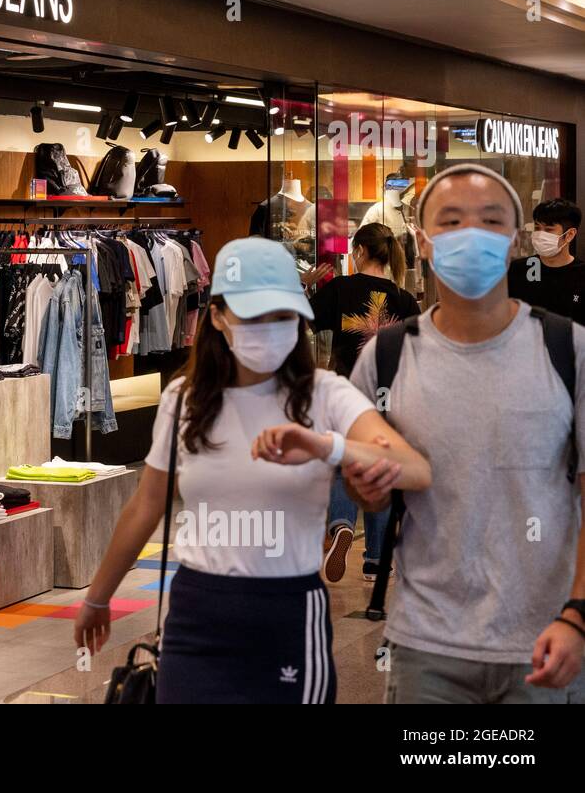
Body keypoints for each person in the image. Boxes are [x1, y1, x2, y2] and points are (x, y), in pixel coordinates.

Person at [74, 237, 430, 703]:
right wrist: (98, 598)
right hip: (197, 613)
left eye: (281, 316)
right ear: (218, 316)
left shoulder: (323, 394)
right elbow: (145, 505)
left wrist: (327, 446)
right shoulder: (185, 400)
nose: (268, 329)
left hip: (288, 612)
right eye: (252, 315)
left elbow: (413, 469)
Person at [347, 164, 585, 703]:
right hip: (425, 646)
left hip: (543, 642)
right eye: (451, 221)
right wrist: (367, 485)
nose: (470, 234)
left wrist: (577, 615)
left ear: (513, 241)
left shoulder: (569, 351)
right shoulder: (385, 358)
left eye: (490, 220)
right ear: (425, 243)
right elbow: (368, 489)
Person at [310, 223, 420, 583]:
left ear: (358, 252)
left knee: (344, 460)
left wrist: (308, 283)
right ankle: (376, 559)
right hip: (390, 393)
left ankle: (342, 526)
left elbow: (302, 317)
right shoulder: (402, 299)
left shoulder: (340, 289)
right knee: (381, 468)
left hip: (346, 388)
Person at [508, 197, 585, 325]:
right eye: (537, 228)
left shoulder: (581, 275)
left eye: (549, 229)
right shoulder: (517, 270)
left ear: (569, 235)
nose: (540, 235)